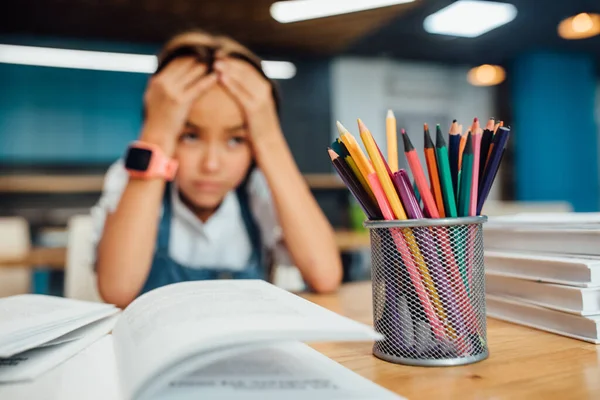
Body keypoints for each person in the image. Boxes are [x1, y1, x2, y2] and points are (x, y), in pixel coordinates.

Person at [92, 31, 342, 308]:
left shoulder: (257, 187)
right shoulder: (133, 179)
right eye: (190, 136)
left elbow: (325, 275)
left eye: (236, 140)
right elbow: (116, 290)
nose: (211, 165)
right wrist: (157, 134)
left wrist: (270, 140)